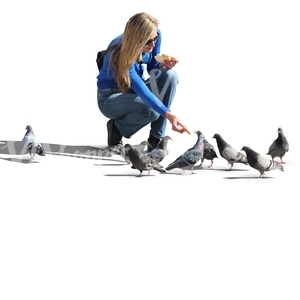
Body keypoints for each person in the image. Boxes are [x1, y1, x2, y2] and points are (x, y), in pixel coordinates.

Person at [97, 12, 186, 150]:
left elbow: (152, 68)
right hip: (111, 97)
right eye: (148, 41)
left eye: (155, 38)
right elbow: (142, 91)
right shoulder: (119, 53)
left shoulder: (155, 35)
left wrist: (163, 65)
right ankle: (117, 128)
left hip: (133, 90)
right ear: (136, 41)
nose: (153, 44)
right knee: (152, 111)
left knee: (170, 75)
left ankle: (156, 139)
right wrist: (169, 115)